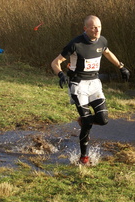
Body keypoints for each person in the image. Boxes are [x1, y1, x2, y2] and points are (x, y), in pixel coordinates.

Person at [51, 15, 130, 165]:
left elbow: (107, 52)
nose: (96, 30)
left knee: (103, 119)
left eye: (99, 27)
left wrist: (121, 67)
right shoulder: (75, 44)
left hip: (94, 83)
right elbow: (55, 62)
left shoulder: (102, 41)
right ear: (85, 28)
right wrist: (60, 74)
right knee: (87, 124)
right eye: (93, 27)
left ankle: (83, 120)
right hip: (78, 85)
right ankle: (84, 157)